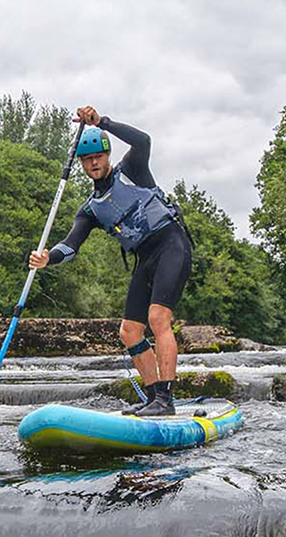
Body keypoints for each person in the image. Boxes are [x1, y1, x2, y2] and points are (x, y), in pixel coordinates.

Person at [29, 105, 192, 417]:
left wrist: (102, 122)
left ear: (107, 155)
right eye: (88, 159)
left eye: (99, 156)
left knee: (158, 319)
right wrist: (48, 258)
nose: (94, 163)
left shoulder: (132, 168)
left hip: (171, 242)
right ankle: (152, 397)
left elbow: (143, 140)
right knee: (129, 331)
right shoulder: (89, 209)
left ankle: (165, 400)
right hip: (145, 256)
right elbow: (70, 245)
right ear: (81, 164)